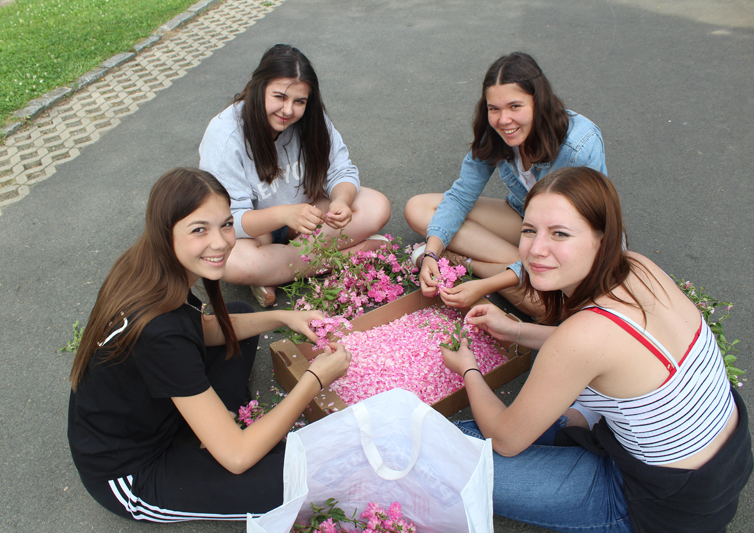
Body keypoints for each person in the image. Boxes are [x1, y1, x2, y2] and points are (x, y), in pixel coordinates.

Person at [441, 167, 752, 532]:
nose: (536, 250)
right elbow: (611, 350)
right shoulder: (640, 268)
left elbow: (507, 440)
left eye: (560, 234)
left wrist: (469, 369)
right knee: (489, 432)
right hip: (719, 470)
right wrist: (517, 330)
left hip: (656, 506)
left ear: (601, 240)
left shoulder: (582, 336)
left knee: (445, 451)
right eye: (528, 230)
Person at [67, 168, 351, 522]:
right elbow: (237, 457)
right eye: (199, 229)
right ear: (165, 232)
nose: (220, 242)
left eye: (226, 224)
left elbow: (202, 330)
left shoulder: (148, 265)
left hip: (159, 408)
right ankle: (217, 432)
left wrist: (284, 318)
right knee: (298, 482)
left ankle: (217, 423)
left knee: (238, 316)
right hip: (132, 471)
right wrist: (315, 379)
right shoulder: (160, 332)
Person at [404, 52, 606, 315]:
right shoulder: (495, 132)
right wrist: (431, 253)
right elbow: (461, 196)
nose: (503, 120)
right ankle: (508, 265)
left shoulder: (579, 146)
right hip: (524, 217)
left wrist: (485, 285)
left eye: (515, 106)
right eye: (494, 109)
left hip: (568, 241)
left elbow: (580, 236)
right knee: (418, 209)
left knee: (550, 307)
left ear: (538, 101)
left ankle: (466, 262)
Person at [199, 44, 391, 307]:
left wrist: (341, 201)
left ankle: (273, 272)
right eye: (279, 96)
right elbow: (226, 219)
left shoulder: (311, 119)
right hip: (256, 233)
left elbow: (341, 170)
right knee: (232, 263)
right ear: (258, 88)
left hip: (309, 218)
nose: (288, 111)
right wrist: (283, 214)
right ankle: (349, 256)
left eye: (299, 101)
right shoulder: (225, 135)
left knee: (376, 205)